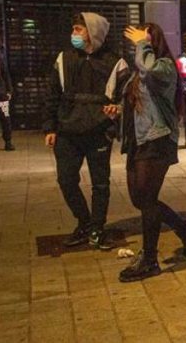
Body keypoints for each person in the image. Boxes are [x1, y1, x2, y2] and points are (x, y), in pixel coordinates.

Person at [116, 23, 186, 282]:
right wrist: (117, 111)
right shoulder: (139, 72)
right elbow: (139, 105)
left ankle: (150, 259)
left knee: (146, 198)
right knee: (139, 199)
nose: (137, 42)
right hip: (138, 141)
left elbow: (151, 69)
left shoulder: (165, 65)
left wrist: (142, 44)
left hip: (157, 140)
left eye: (143, 38)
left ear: (152, 41)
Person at [44, 13, 130, 249]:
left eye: (78, 30)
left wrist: (118, 110)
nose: (74, 34)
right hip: (67, 131)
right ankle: (84, 222)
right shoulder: (64, 59)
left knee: (100, 183)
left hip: (98, 131)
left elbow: (127, 98)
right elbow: (52, 94)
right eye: (73, 29)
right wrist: (50, 127)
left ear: (93, 32)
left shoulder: (116, 63)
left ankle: (97, 227)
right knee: (66, 180)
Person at [0, 45, 14, 151]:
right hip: (1, 92)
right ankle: (8, 142)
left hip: (1, 93)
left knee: (5, 118)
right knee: (5, 118)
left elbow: (5, 73)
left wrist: (9, 90)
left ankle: (8, 141)